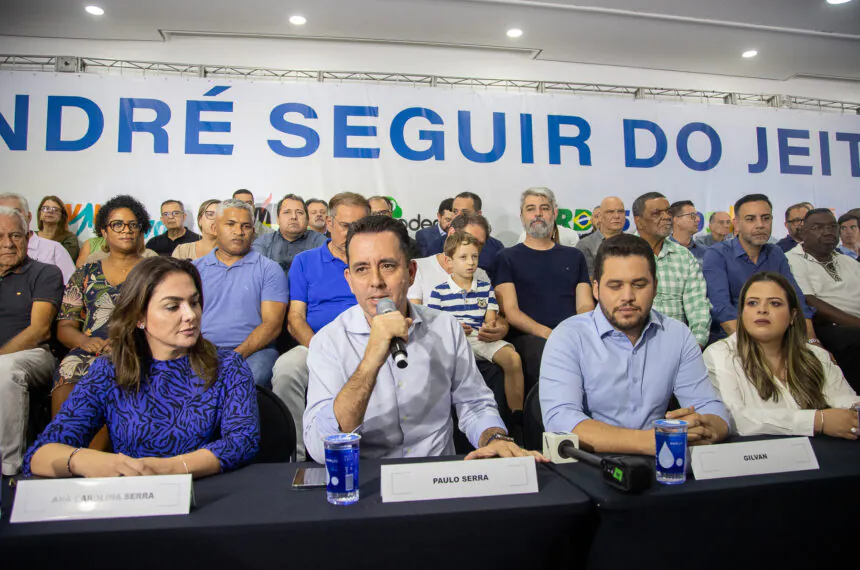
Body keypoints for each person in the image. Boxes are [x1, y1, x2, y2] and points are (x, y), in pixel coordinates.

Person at [303, 215, 546, 463]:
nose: (376, 282)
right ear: (349, 280)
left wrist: (493, 438)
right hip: (365, 480)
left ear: (411, 273)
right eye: (362, 269)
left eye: (387, 266)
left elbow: (474, 403)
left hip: (436, 478)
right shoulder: (328, 342)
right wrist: (370, 361)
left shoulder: (444, 328)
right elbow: (321, 448)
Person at [24, 256, 260, 478]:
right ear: (139, 317)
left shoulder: (227, 366)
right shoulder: (109, 371)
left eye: (194, 302)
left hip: (208, 497)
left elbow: (241, 442)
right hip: (135, 501)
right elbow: (40, 454)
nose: (191, 315)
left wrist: (168, 469)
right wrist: (87, 461)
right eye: (172, 306)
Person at [540, 234, 730, 454]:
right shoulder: (569, 336)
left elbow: (709, 406)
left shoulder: (677, 335)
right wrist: (648, 442)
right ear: (595, 289)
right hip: (592, 463)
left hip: (663, 460)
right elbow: (561, 421)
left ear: (655, 286)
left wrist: (708, 428)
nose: (627, 296)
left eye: (639, 285)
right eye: (615, 286)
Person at [270, 192, 368, 461]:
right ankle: (298, 454)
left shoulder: (374, 260)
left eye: (360, 226)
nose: (352, 233)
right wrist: (321, 350)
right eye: (346, 226)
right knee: (287, 369)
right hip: (316, 342)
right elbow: (296, 319)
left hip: (370, 342)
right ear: (329, 224)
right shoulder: (306, 261)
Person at [704, 271, 858, 438]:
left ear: (792, 316)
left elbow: (844, 400)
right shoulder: (719, 354)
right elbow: (732, 417)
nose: (762, 310)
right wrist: (816, 421)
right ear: (741, 313)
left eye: (775, 304)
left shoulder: (816, 355)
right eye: (752, 303)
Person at [54, 195, 152, 436]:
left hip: (138, 348)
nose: (126, 231)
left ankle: (98, 462)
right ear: (104, 232)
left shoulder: (154, 272)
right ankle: (60, 449)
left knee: (113, 374)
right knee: (69, 368)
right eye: (117, 224)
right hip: (90, 348)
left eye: (133, 224)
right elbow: (65, 326)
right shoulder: (85, 273)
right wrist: (85, 342)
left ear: (141, 230)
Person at [495, 187, 594, 397]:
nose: (538, 214)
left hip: (571, 334)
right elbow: (511, 311)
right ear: (522, 216)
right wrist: (547, 333)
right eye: (531, 209)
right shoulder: (506, 257)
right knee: (543, 356)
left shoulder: (574, 256)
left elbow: (585, 305)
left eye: (544, 208)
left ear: (555, 213)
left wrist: (576, 332)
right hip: (529, 337)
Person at [193, 199, 288, 387]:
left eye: (246, 226)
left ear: (253, 231)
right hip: (203, 351)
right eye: (230, 224)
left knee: (250, 378)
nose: (238, 232)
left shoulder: (269, 269)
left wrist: (235, 356)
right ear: (215, 228)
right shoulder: (194, 270)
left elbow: (272, 325)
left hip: (255, 352)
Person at [429, 231, 525, 414]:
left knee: (513, 359)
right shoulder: (438, 292)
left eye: (474, 256)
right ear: (449, 262)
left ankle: (517, 414)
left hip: (479, 338)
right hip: (452, 340)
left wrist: (490, 326)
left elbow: (490, 318)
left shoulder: (485, 288)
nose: (471, 262)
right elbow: (433, 324)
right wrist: (452, 329)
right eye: (463, 257)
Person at [703, 194, 818, 344]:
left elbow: (796, 299)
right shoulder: (717, 254)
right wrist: (757, 348)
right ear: (736, 225)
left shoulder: (775, 253)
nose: (760, 225)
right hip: (733, 337)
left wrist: (812, 341)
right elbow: (721, 308)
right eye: (751, 219)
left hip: (776, 335)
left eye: (765, 218)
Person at [0, 206, 64, 475]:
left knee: (4, 371)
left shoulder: (44, 273)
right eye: (0, 236)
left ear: (28, 237)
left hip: (34, 355)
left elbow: (40, 330)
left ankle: (8, 467)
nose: (7, 244)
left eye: (15, 235)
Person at [786, 208, 860, 390]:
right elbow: (809, 301)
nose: (827, 231)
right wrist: (856, 323)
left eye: (832, 226)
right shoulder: (792, 260)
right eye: (818, 227)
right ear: (803, 232)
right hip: (824, 327)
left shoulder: (848, 262)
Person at [632, 192, 710, 348]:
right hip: (632, 345)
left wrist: (695, 345)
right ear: (638, 222)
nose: (667, 217)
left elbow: (698, 306)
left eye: (668, 212)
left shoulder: (683, 256)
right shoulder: (623, 253)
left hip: (678, 346)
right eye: (657, 213)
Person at [409, 213, 492, 304]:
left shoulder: (481, 275)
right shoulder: (417, 267)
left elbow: (491, 315)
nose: (474, 247)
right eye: (469, 239)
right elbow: (415, 314)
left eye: (480, 244)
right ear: (451, 233)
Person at [0, 192, 75, 284]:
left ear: (29, 216)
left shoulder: (54, 249)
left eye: (16, 212)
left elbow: (72, 287)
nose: (10, 217)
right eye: (3, 212)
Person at [425, 192, 505, 274]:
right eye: (455, 212)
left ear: (478, 214)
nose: (457, 216)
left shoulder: (496, 247)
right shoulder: (436, 245)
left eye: (465, 212)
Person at [252, 193, 326, 275]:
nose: (293, 217)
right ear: (278, 219)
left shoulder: (321, 242)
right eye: (287, 212)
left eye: (299, 212)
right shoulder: (263, 243)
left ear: (307, 219)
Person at [577, 196, 625, 278]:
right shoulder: (586, 245)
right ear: (601, 217)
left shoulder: (635, 243)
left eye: (620, 211)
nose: (617, 216)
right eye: (610, 212)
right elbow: (587, 281)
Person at [367, 195, 422, 259]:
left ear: (390, 214)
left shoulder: (403, 238)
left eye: (383, 212)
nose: (379, 216)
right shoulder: (358, 240)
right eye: (374, 214)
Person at [35, 195, 80, 261]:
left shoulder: (69, 239)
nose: (49, 211)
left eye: (55, 209)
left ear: (61, 216)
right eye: (45, 208)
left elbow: (65, 262)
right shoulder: (30, 236)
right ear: (40, 214)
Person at [669, 200, 707, 266]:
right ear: (676, 220)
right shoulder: (662, 250)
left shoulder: (706, 252)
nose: (698, 219)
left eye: (697, 215)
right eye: (692, 215)